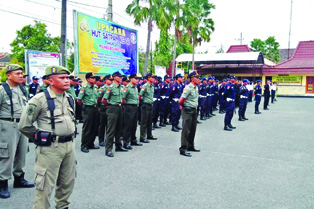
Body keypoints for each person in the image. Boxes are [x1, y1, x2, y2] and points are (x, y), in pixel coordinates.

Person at [18, 65, 76, 209]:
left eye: (67, 78)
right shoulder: (39, 99)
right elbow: (24, 125)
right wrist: (40, 137)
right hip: (50, 148)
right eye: (62, 78)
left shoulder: (69, 98)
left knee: (67, 183)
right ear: (50, 81)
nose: (67, 81)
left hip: (69, 146)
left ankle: (63, 206)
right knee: (44, 187)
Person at [0, 64, 34, 199]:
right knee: (6, 155)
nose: (21, 76)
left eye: (22, 74)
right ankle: (2, 183)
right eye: (18, 74)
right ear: (9, 75)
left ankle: (19, 178)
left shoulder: (22, 89)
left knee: (22, 153)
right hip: (7, 125)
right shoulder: (2, 90)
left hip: (22, 125)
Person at [102, 71, 128, 157]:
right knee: (111, 130)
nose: (121, 78)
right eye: (119, 77)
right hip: (113, 108)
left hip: (120, 108)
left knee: (119, 129)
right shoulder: (111, 87)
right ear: (115, 77)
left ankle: (118, 146)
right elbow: (104, 100)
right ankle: (108, 149)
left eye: (121, 77)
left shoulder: (121, 87)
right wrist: (109, 106)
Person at [178, 71, 201, 157]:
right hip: (188, 110)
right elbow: (180, 101)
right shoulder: (188, 88)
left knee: (193, 129)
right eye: (197, 77)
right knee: (186, 130)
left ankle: (190, 146)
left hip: (194, 110)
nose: (199, 79)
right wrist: (184, 106)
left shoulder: (196, 88)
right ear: (192, 79)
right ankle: (183, 148)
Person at [77, 72, 100, 153]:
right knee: (87, 127)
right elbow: (79, 100)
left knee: (94, 127)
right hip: (88, 108)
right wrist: (84, 106)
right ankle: (84, 145)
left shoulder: (95, 87)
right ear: (88, 79)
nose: (94, 79)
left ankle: (91, 143)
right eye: (92, 78)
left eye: (94, 78)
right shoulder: (84, 88)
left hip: (95, 108)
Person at [122, 73, 142, 149]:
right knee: (128, 125)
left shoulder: (135, 87)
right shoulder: (127, 88)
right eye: (136, 79)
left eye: (137, 79)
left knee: (134, 125)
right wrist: (126, 106)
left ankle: (133, 140)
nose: (137, 80)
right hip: (129, 107)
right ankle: (126, 142)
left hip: (135, 107)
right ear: (131, 79)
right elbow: (123, 98)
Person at [139, 73, 157, 143]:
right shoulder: (145, 86)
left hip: (150, 104)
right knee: (144, 122)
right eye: (152, 77)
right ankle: (142, 137)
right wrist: (144, 102)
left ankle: (149, 135)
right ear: (149, 78)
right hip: (145, 105)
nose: (153, 78)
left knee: (150, 121)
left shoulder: (152, 86)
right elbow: (140, 96)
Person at [97, 75, 112, 147]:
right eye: (110, 79)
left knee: (109, 125)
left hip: (110, 107)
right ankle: (101, 140)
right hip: (103, 107)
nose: (111, 81)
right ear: (106, 80)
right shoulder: (103, 88)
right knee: (102, 124)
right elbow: (99, 99)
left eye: (112, 80)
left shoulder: (112, 88)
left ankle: (108, 140)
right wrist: (99, 106)